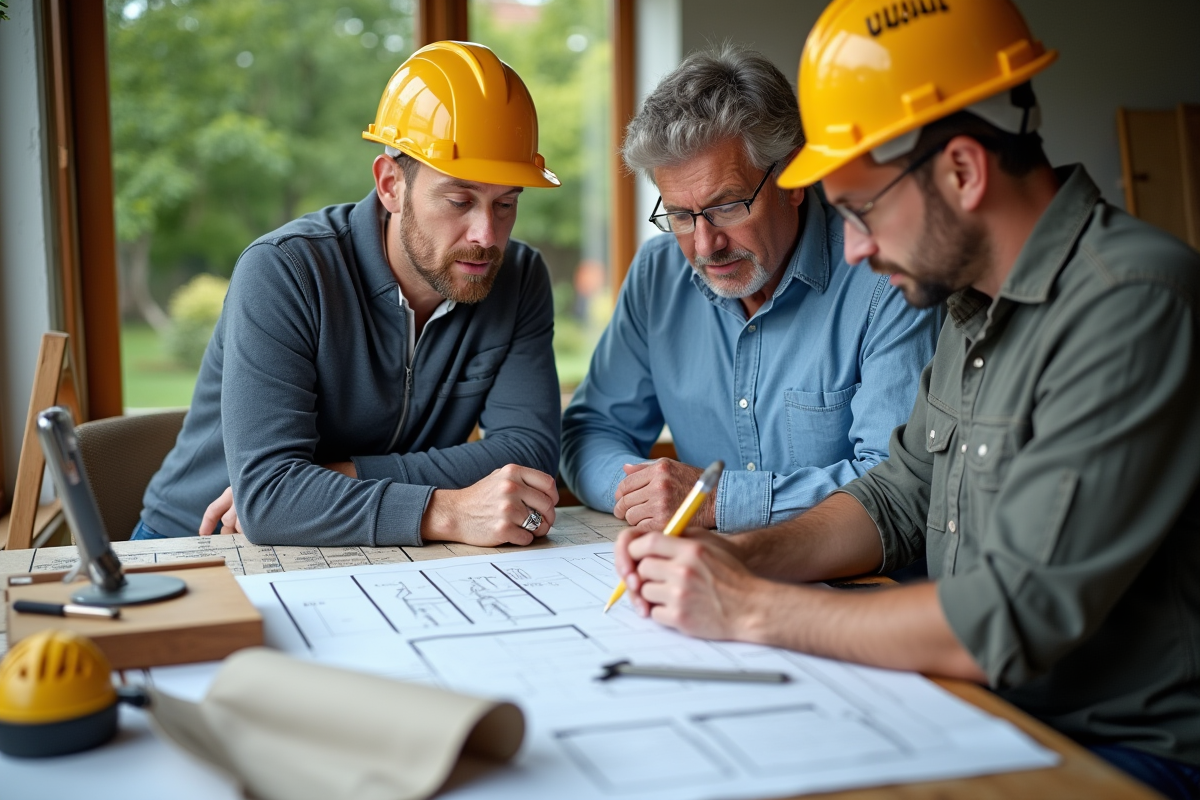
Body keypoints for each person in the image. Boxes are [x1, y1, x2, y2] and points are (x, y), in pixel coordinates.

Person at [614, 3, 1200, 797]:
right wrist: (738, 555)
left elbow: (1008, 616)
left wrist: (751, 607)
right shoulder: (970, 304)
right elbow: (895, 497)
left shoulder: (1133, 302)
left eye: (860, 211)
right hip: (977, 710)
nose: (852, 248)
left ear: (962, 171)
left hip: (1119, 750)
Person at [135, 42, 564, 549]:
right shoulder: (284, 270)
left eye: (506, 204)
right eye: (458, 200)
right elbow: (270, 500)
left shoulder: (518, 276)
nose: (487, 236)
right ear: (390, 186)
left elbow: (530, 456)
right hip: (202, 541)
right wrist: (444, 510)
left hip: (368, 547)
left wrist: (333, 478)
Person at [561, 45, 941, 534]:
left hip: (863, 587)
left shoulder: (885, 274)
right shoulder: (657, 275)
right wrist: (644, 491)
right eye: (679, 215)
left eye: (728, 206)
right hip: (710, 578)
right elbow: (591, 430)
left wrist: (719, 502)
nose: (705, 245)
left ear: (793, 177)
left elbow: (895, 482)